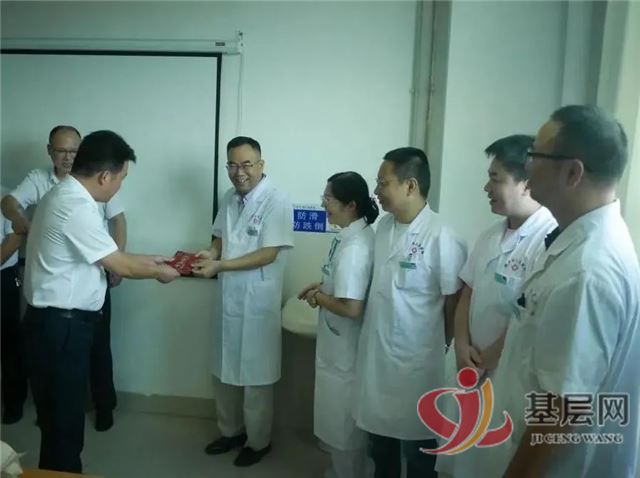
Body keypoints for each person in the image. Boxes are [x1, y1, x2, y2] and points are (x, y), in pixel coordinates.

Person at [480, 105, 639, 478]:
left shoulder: (587, 271)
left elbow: (562, 411)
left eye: (535, 155)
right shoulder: (578, 242)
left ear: (572, 172)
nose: (527, 165)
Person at [23, 130, 179, 473]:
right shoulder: (74, 205)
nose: (119, 186)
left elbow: (111, 255)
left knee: (59, 423)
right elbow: (120, 265)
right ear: (105, 176)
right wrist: (161, 272)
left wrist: (157, 260)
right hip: (60, 328)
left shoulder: (68, 196)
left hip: (58, 326)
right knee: (63, 428)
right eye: (122, 178)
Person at [435, 134, 557, 477]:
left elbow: (529, 316)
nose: (486, 188)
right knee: (459, 456)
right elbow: (468, 292)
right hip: (467, 366)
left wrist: (488, 359)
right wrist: (461, 345)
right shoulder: (490, 235)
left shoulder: (547, 241)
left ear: (526, 182)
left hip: (503, 374)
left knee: (490, 459)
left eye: (495, 179)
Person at [1, 125, 126, 431]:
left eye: (74, 151)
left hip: (95, 274)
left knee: (98, 346)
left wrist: (118, 263)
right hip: (58, 292)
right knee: (58, 366)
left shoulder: (96, 179)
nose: (69, 157)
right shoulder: (45, 184)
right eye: (62, 151)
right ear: (50, 151)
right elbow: (9, 203)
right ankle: (54, 415)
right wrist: (22, 223)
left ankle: (103, 406)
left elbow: (118, 221)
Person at [352, 147, 467, 478]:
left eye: (383, 182)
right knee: (380, 444)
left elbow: (453, 301)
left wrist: (440, 345)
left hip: (419, 364)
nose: (376, 190)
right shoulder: (384, 228)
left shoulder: (443, 236)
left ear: (410, 186)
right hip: (378, 359)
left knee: (419, 451)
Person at [194, 136, 294, 467]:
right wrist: (210, 254)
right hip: (229, 298)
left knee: (256, 377)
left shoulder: (277, 199)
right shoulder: (229, 196)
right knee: (223, 369)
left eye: (246, 164)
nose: (239, 172)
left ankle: (258, 441)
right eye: (232, 165)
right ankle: (230, 432)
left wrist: (220, 265)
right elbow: (219, 238)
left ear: (261, 165)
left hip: (257, 302)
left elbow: (268, 253)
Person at [298, 172, 378, 478]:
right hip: (337, 346)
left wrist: (319, 297)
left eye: (328, 198)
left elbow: (351, 307)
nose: (323, 204)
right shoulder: (348, 237)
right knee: (338, 422)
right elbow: (342, 285)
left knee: (344, 427)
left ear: (350, 205)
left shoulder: (356, 248)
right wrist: (321, 287)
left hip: (345, 352)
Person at [0, 212, 27, 424]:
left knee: (9, 344)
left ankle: (14, 403)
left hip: (3, 278)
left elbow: (15, 238)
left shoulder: (6, 201)